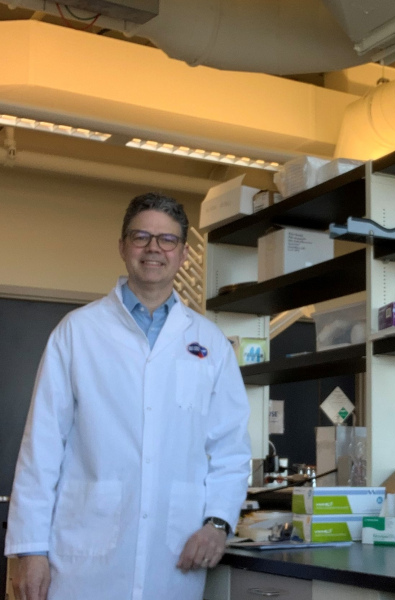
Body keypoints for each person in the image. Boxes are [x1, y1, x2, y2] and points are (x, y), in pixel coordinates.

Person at [5, 192, 251, 600]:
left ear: (183, 254)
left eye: (167, 239)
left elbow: (231, 450)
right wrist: (31, 550)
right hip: (82, 560)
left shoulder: (210, 343)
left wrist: (218, 522)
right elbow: (41, 448)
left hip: (174, 555)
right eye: (141, 236)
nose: (154, 248)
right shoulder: (76, 332)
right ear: (122, 247)